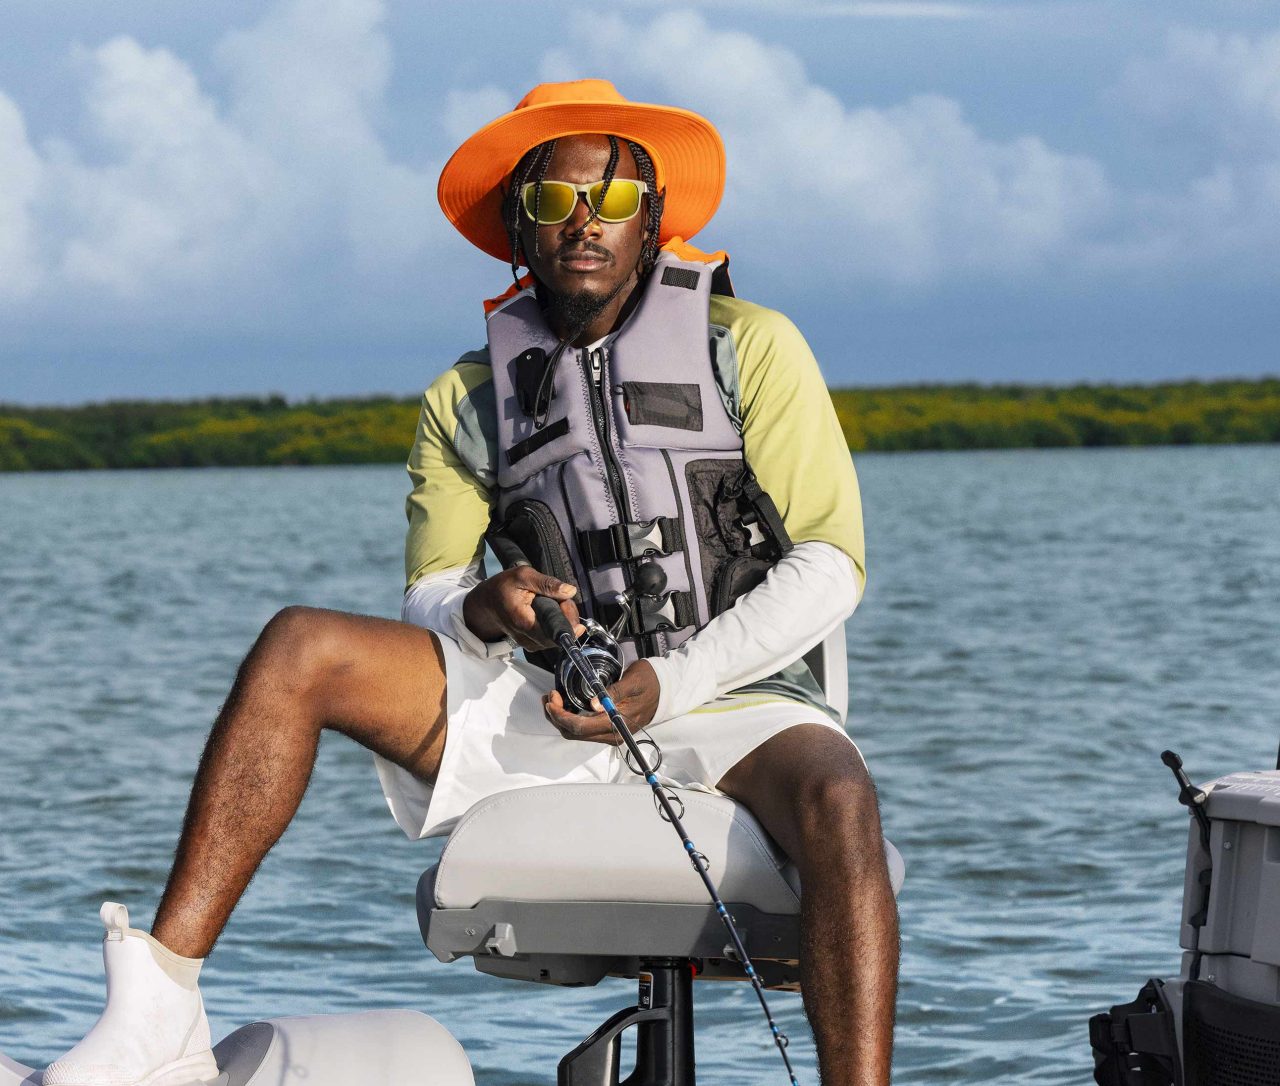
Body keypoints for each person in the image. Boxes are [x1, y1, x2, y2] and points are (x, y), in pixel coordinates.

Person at [45, 80, 898, 1086]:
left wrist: (672, 683)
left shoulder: (750, 345)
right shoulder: (464, 397)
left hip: (732, 702)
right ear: (515, 228)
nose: (584, 224)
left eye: (612, 201)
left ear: (653, 222)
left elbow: (831, 563)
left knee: (839, 796)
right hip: (551, 702)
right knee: (299, 647)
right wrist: (479, 611)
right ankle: (161, 1009)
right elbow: (432, 593)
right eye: (552, 202)